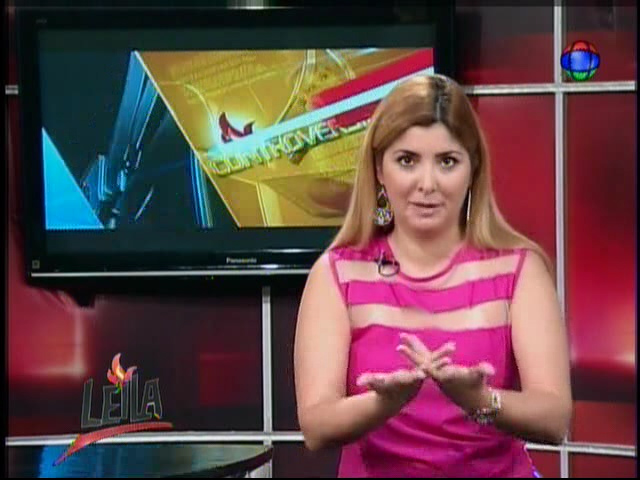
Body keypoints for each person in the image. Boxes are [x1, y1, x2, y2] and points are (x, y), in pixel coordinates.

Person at [293, 74, 572, 477]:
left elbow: (554, 418)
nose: (428, 184)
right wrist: (384, 404)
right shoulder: (337, 273)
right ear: (379, 169)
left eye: (447, 162)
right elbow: (316, 426)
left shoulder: (519, 269)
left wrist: (479, 400)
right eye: (407, 160)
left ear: (473, 169)